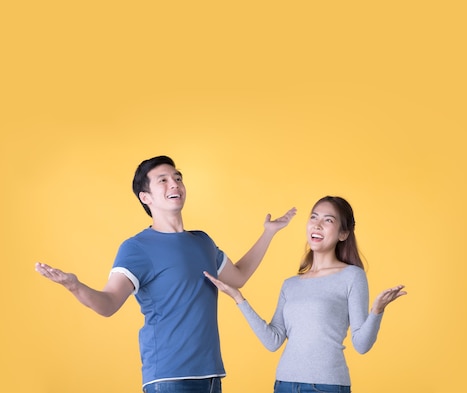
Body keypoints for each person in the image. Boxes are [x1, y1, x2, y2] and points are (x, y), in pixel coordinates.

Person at [35, 155, 297, 393]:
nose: (175, 184)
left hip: (211, 376)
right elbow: (109, 303)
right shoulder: (137, 248)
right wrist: (75, 286)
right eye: (163, 180)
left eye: (178, 178)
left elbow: (238, 277)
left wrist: (269, 233)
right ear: (145, 197)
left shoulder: (202, 241)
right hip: (169, 378)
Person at [204, 195, 406, 393]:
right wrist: (238, 298)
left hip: (327, 386)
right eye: (314, 217)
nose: (317, 225)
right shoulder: (291, 285)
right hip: (283, 384)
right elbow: (273, 341)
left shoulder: (352, 276)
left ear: (343, 234)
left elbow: (361, 345)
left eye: (328, 220)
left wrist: (377, 311)